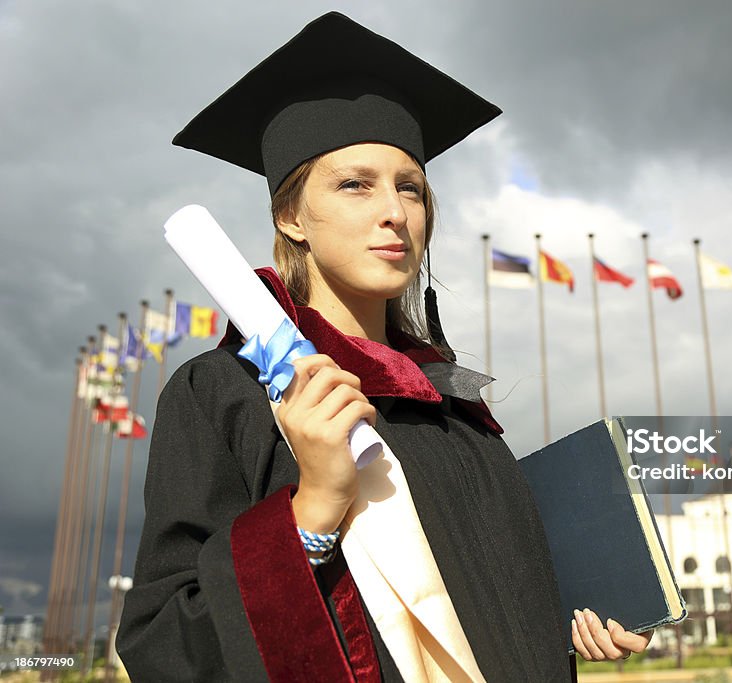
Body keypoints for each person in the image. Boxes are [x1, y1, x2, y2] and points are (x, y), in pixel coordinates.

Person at [116, 12, 652, 682]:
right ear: (290, 215)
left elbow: (500, 613)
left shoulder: (455, 409)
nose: (395, 211)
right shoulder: (225, 392)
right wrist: (312, 508)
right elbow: (163, 645)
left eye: (410, 187)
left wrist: (580, 609)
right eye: (355, 184)